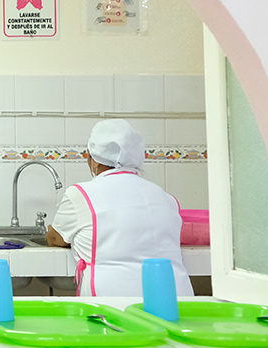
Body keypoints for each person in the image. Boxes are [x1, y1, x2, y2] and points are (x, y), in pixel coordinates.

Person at [46, 118, 193, 297]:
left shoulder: (80, 195)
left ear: (93, 159)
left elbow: (55, 238)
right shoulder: (165, 198)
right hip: (173, 300)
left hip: (112, 305)